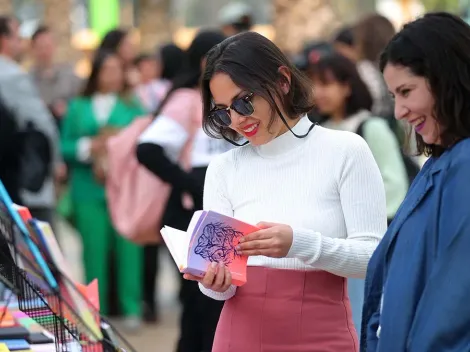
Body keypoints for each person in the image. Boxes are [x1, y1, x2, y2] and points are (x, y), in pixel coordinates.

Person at [184, 31, 387, 351]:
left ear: (282, 80)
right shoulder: (223, 168)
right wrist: (213, 281)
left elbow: (374, 258)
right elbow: (219, 290)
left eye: (244, 101)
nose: (237, 120)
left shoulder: (346, 150)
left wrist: (300, 243)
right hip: (239, 336)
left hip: (323, 335)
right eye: (223, 111)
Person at [362, 12, 470, 351]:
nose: (399, 111)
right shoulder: (441, 162)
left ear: (446, 79)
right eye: (394, 96)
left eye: (407, 91)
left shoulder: (464, 165)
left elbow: (453, 301)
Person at [136, 30, 230, 352]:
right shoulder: (188, 99)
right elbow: (147, 149)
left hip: (213, 213)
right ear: (207, 60)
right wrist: (191, 183)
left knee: (207, 302)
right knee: (203, 302)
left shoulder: (215, 98)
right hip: (196, 215)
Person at [308, 53, 408, 336]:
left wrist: (353, 212)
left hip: (367, 246)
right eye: (315, 84)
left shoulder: (370, 127)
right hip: (330, 248)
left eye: (327, 84)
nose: (320, 93)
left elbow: (394, 184)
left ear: (348, 85)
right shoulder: (318, 130)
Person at [60, 50, 145, 331]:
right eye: (106, 68)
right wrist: (90, 147)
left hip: (125, 191)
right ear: (95, 72)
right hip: (88, 189)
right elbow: (65, 146)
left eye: (117, 68)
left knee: (129, 251)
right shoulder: (79, 106)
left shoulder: (134, 106)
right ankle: (96, 312)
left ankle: (131, 307)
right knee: (92, 251)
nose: (112, 74)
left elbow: (145, 143)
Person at [0, 15, 61, 226]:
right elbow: (43, 125)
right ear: (4, 41)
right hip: (23, 182)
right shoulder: (10, 75)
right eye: (17, 38)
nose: (21, 44)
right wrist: (56, 163)